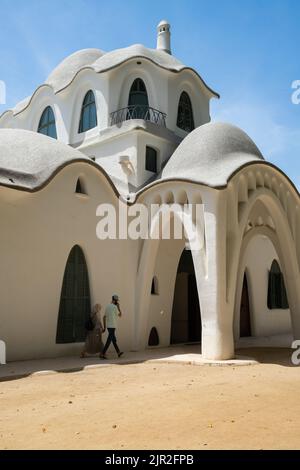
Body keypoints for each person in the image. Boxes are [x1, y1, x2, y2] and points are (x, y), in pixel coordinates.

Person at [100, 294, 123, 359]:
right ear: (114, 300)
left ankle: (118, 352)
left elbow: (104, 317)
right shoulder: (115, 307)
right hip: (113, 326)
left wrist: (104, 327)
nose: (117, 302)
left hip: (108, 326)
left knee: (113, 339)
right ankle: (103, 353)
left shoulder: (107, 306)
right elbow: (120, 315)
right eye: (116, 301)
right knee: (109, 340)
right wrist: (119, 307)